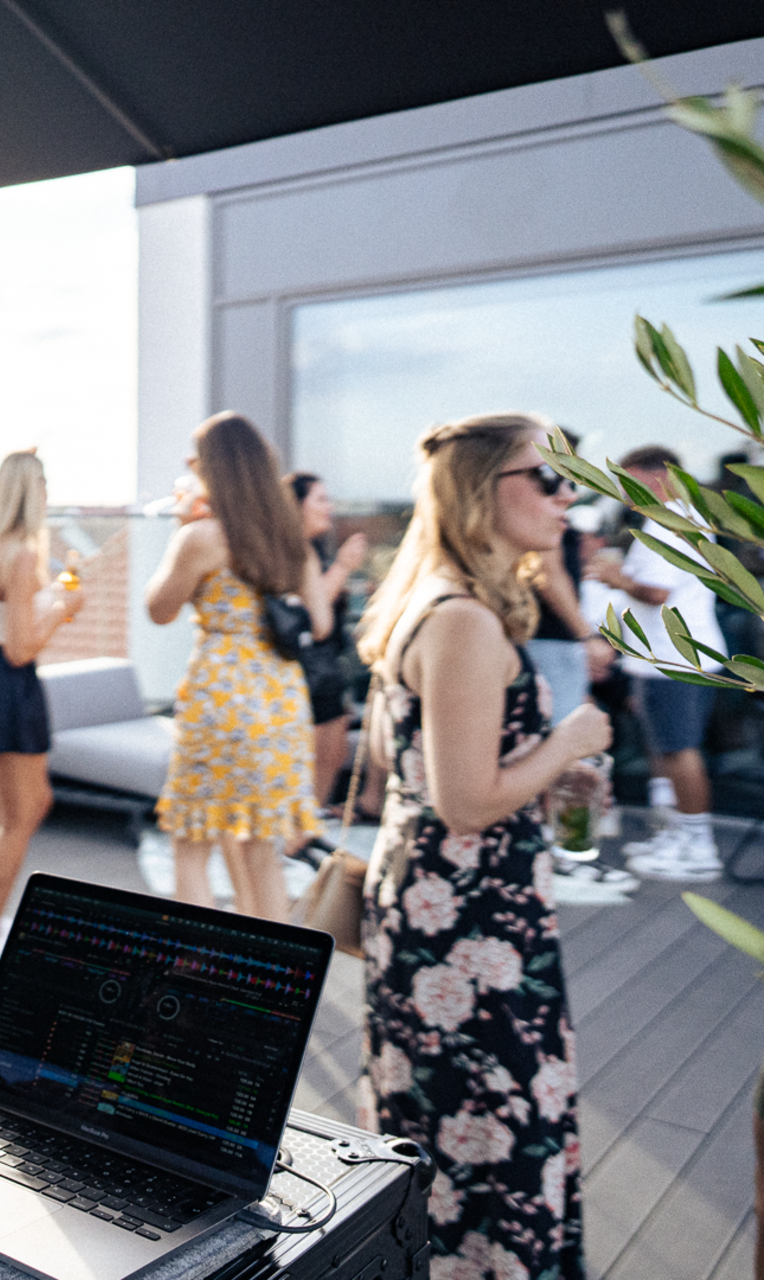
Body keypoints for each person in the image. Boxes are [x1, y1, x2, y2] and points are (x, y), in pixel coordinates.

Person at [353, 411, 612, 1280]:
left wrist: (542, 771)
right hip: (470, 937)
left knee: (440, 1138)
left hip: (438, 915)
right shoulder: (463, 619)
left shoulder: (431, 605)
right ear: (479, 494)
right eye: (545, 476)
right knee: (493, 1141)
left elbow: (413, 771)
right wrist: (568, 744)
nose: (566, 494)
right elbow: (464, 803)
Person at [147, 414, 329, 921]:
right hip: (280, 696)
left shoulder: (201, 537)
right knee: (261, 851)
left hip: (220, 693)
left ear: (214, 469)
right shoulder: (291, 539)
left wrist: (181, 534)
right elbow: (321, 620)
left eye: (194, 458)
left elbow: (159, 610)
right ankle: (272, 978)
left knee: (191, 843)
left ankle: (199, 974)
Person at [0, 451, 83, 983]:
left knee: (26, 808)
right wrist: (62, 609)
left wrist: (51, 597)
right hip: (7, 682)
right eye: (44, 484)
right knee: (18, 818)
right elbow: (21, 649)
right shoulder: (22, 553)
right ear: (33, 491)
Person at [589, 444, 727, 882]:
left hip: (676, 659)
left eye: (632, 482)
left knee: (678, 750)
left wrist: (615, 578)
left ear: (661, 476)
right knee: (666, 750)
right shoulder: (677, 518)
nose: (624, 493)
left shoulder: (671, 522)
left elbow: (656, 592)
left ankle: (697, 846)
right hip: (665, 659)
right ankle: (678, 836)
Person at [286, 471, 368, 809]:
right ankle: (301, 828)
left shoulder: (313, 549)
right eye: (320, 499)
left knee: (332, 750)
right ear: (296, 505)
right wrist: (344, 567)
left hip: (326, 662)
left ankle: (310, 823)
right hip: (307, 665)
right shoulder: (290, 551)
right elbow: (310, 610)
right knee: (319, 750)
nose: (329, 507)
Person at [524, 431, 616, 722]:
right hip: (550, 639)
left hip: (546, 639)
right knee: (564, 732)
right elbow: (548, 573)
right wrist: (586, 637)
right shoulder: (540, 513)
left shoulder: (547, 508)